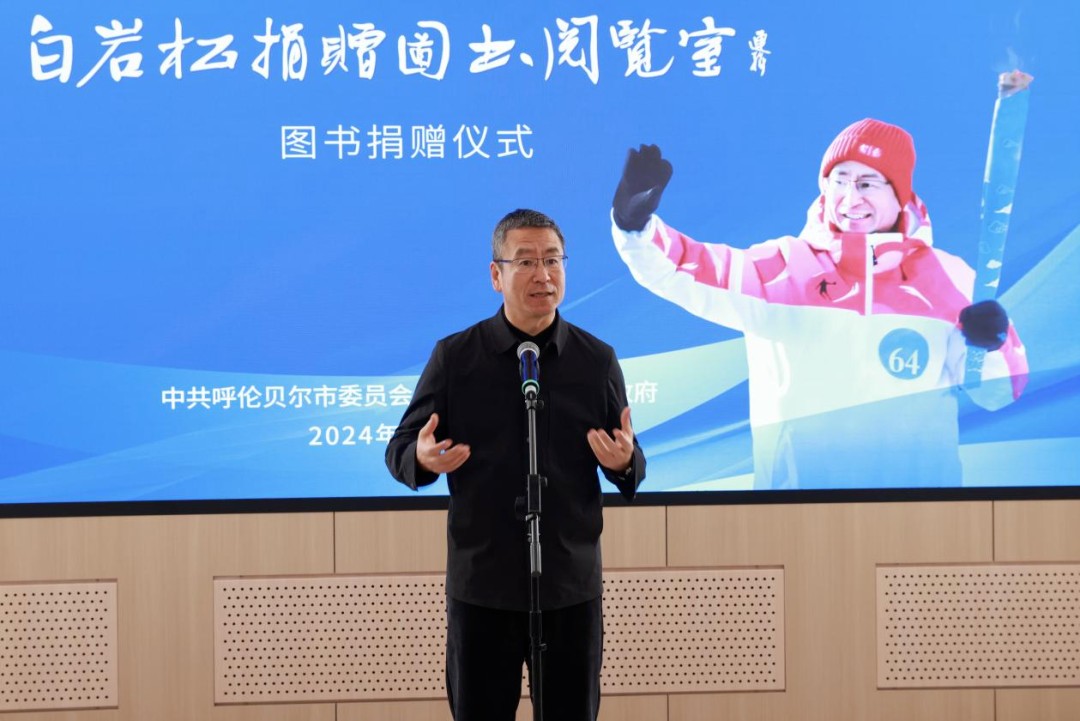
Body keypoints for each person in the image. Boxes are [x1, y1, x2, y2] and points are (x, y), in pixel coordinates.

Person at [610, 119, 1028, 489]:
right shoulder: (782, 269)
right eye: (839, 180)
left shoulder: (951, 279)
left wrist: (991, 345)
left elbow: (997, 393)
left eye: (867, 184)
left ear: (900, 194)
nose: (850, 198)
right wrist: (634, 223)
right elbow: (683, 266)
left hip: (917, 515)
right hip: (799, 513)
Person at [386, 208, 645, 721]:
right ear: (496, 275)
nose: (542, 274)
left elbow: (630, 458)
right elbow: (401, 449)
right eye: (525, 261)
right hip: (483, 588)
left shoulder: (595, 360)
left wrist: (623, 463)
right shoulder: (456, 358)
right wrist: (420, 456)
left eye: (553, 260)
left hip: (569, 587)